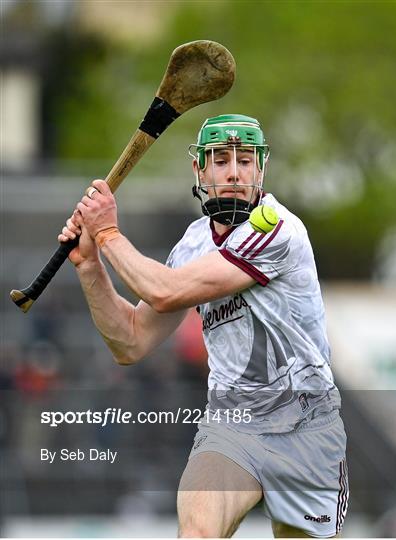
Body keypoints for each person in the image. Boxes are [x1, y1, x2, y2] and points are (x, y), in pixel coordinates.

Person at [59, 114, 349, 538]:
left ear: (261, 169)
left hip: (305, 424)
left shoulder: (277, 229)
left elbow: (165, 292)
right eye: (220, 159)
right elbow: (131, 341)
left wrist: (106, 232)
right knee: (197, 530)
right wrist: (90, 266)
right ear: (200, 170)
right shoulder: (192, 243)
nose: (234, 172)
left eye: (246, 160)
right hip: (232, 424)